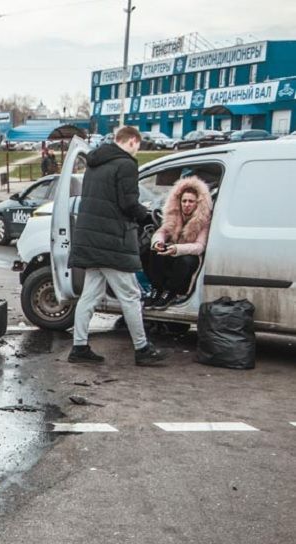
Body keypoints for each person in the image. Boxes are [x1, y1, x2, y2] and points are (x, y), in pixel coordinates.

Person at [68, 126, 167, 366]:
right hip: (112, 241)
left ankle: (79, 347)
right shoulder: (126, 165)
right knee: (131, 295)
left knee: (90, 295)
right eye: (138, 145)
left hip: (90, 239)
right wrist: (149, 217)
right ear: (132, 141)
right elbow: (128, 204)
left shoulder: (94, 163)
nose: (138, 151)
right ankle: (142, 349)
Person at [146, 176, 212, 309]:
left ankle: (170, 292)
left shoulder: (204, 220)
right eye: (184, 201)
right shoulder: (173, 215)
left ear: (198, 203)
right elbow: (161, 232)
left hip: (189, 256)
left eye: (191, 202)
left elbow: (199, 247)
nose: (187, 205)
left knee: (185, 261)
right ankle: (157, 289)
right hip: (173, 251)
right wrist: (158, 243)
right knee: (152, 252)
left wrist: (177, 249)